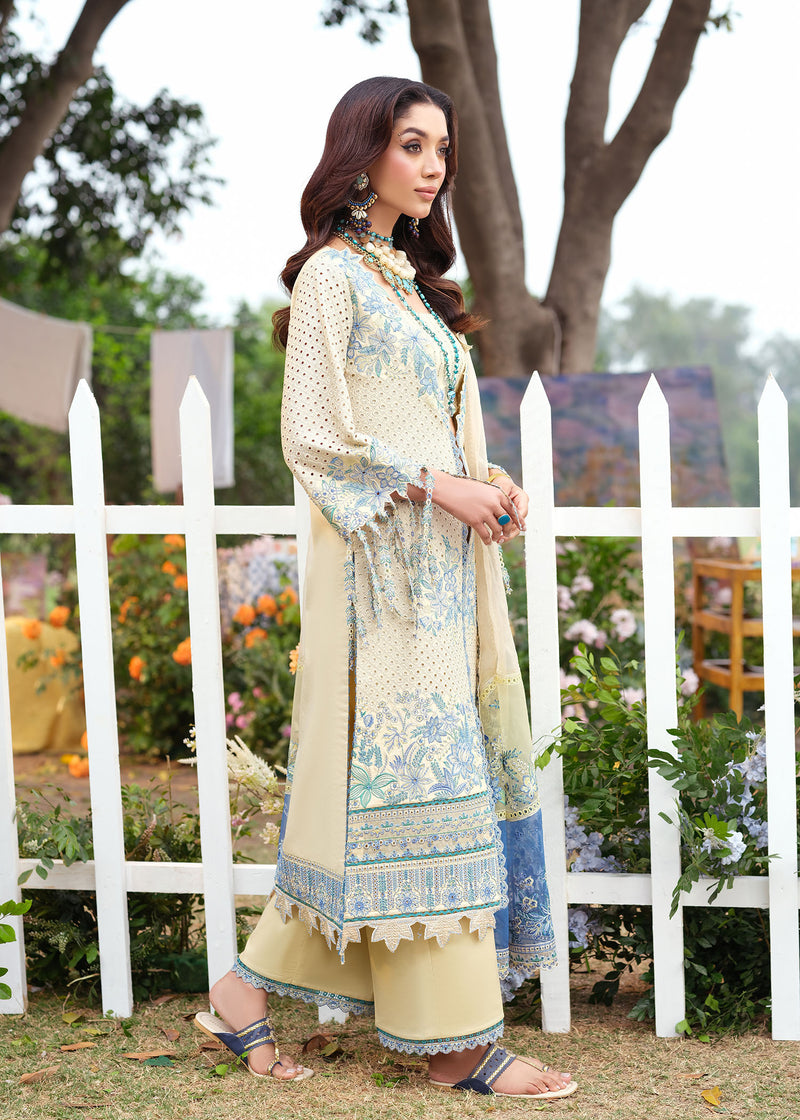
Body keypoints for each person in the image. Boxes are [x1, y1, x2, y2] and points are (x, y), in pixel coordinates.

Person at [195, 75, 577, 1100]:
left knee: (407, 796)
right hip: (381, 579)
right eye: (413, 144)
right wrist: (441, 486)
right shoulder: (332, 277)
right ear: (361, 152)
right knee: (417, 791)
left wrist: (487, 482)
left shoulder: (409, 283)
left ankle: (239, 994)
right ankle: (453, 1045)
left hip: (441, 579)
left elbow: (429, 428)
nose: (432, 165)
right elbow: (313, 437)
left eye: (441, 149)